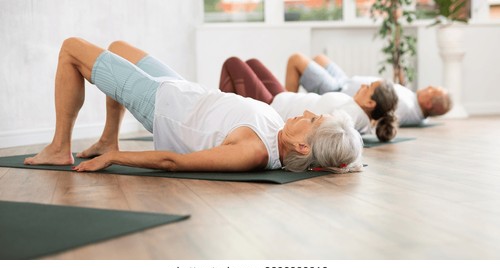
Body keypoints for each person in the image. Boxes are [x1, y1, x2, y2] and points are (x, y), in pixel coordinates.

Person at [24, 37, 364, 173]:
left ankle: (59, 147)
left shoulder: (254, 151)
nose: (306, 113)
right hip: (181, 88)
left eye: (314, 119)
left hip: (159, 104)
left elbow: (175, 162)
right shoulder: (281, 131)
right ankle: (107, 137)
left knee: (71, 48)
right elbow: (338, 157)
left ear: (303, 145)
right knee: (117, 46)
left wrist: (117, 158)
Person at [220, 56, 398, 142]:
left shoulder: (353, 115)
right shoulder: (359, 113)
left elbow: (334, 132)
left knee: (233, 63)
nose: (362, 86)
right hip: (283, 97)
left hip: (273, 106)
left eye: (368, 87)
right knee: (252, 63)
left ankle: (222, 124)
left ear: (370, 103)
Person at [286, 53, 452, 126]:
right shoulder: (417, 109)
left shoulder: (407, 109)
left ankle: (287, 101)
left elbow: (379, 116)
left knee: (296, 59)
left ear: (429, 103)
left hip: (340, 91)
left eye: (432, 90)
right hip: (346, 81)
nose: (429, 87)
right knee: (319, 58)